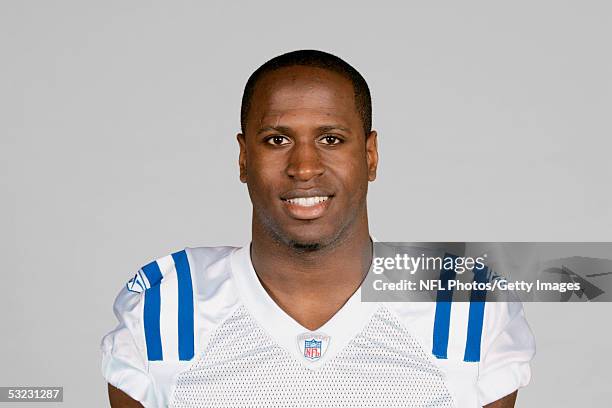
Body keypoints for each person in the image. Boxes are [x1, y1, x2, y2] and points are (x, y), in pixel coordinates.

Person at [101, 50, 535, 407]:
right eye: (277, 140)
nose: (304, 167)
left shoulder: (467, 304)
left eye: (331, 139)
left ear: (370, 156)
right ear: (242, 158)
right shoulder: (163, 306)